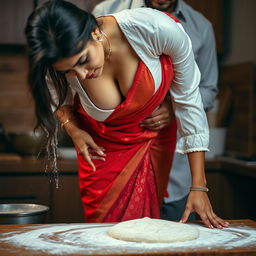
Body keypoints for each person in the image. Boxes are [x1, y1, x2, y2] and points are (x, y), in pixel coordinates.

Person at [25, 0, 228, 228]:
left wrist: (198, 187)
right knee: (106, 239)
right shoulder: (58, 58)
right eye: (69, 71)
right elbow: (55, 93)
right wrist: (73, 129)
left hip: (157, 145)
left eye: (83, 60)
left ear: (94, 31)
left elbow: (190, 101)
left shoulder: (155, 29)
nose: (81, 75)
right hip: (103, 159)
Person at [92, 0, 218, 222]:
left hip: (177, 166)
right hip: (116, 158)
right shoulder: (105, 13)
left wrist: (173, 105)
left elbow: (205, 90)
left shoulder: (200, 27)